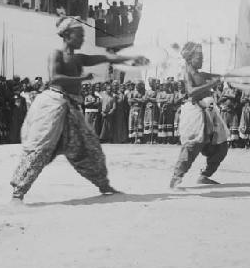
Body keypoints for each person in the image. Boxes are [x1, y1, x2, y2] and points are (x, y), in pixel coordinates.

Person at [9, 15, 147, 202]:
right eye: (79, 34)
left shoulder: (79, 58)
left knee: (91, 147)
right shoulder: (56, 54)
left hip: (71, 108)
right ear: (67, 34)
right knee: (40, 150)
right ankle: (18, 193)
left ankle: (104, 185)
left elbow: (105, 57)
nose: (83, 38)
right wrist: (82, 79)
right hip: (53, 107)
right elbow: (55, 78)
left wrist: (130, 58)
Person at [169, 42, 230, 189]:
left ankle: (205, 175)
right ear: (190, 59)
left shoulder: (201, 74)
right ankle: (176, 178)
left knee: (221, 145)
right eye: (199, 57)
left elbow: (216, 76)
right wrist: (210, 84)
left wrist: (223, 76)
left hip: (209, 111)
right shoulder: (187, 73)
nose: (202, 60)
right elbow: (190, 91)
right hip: (195, 112)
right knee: (193, 145)